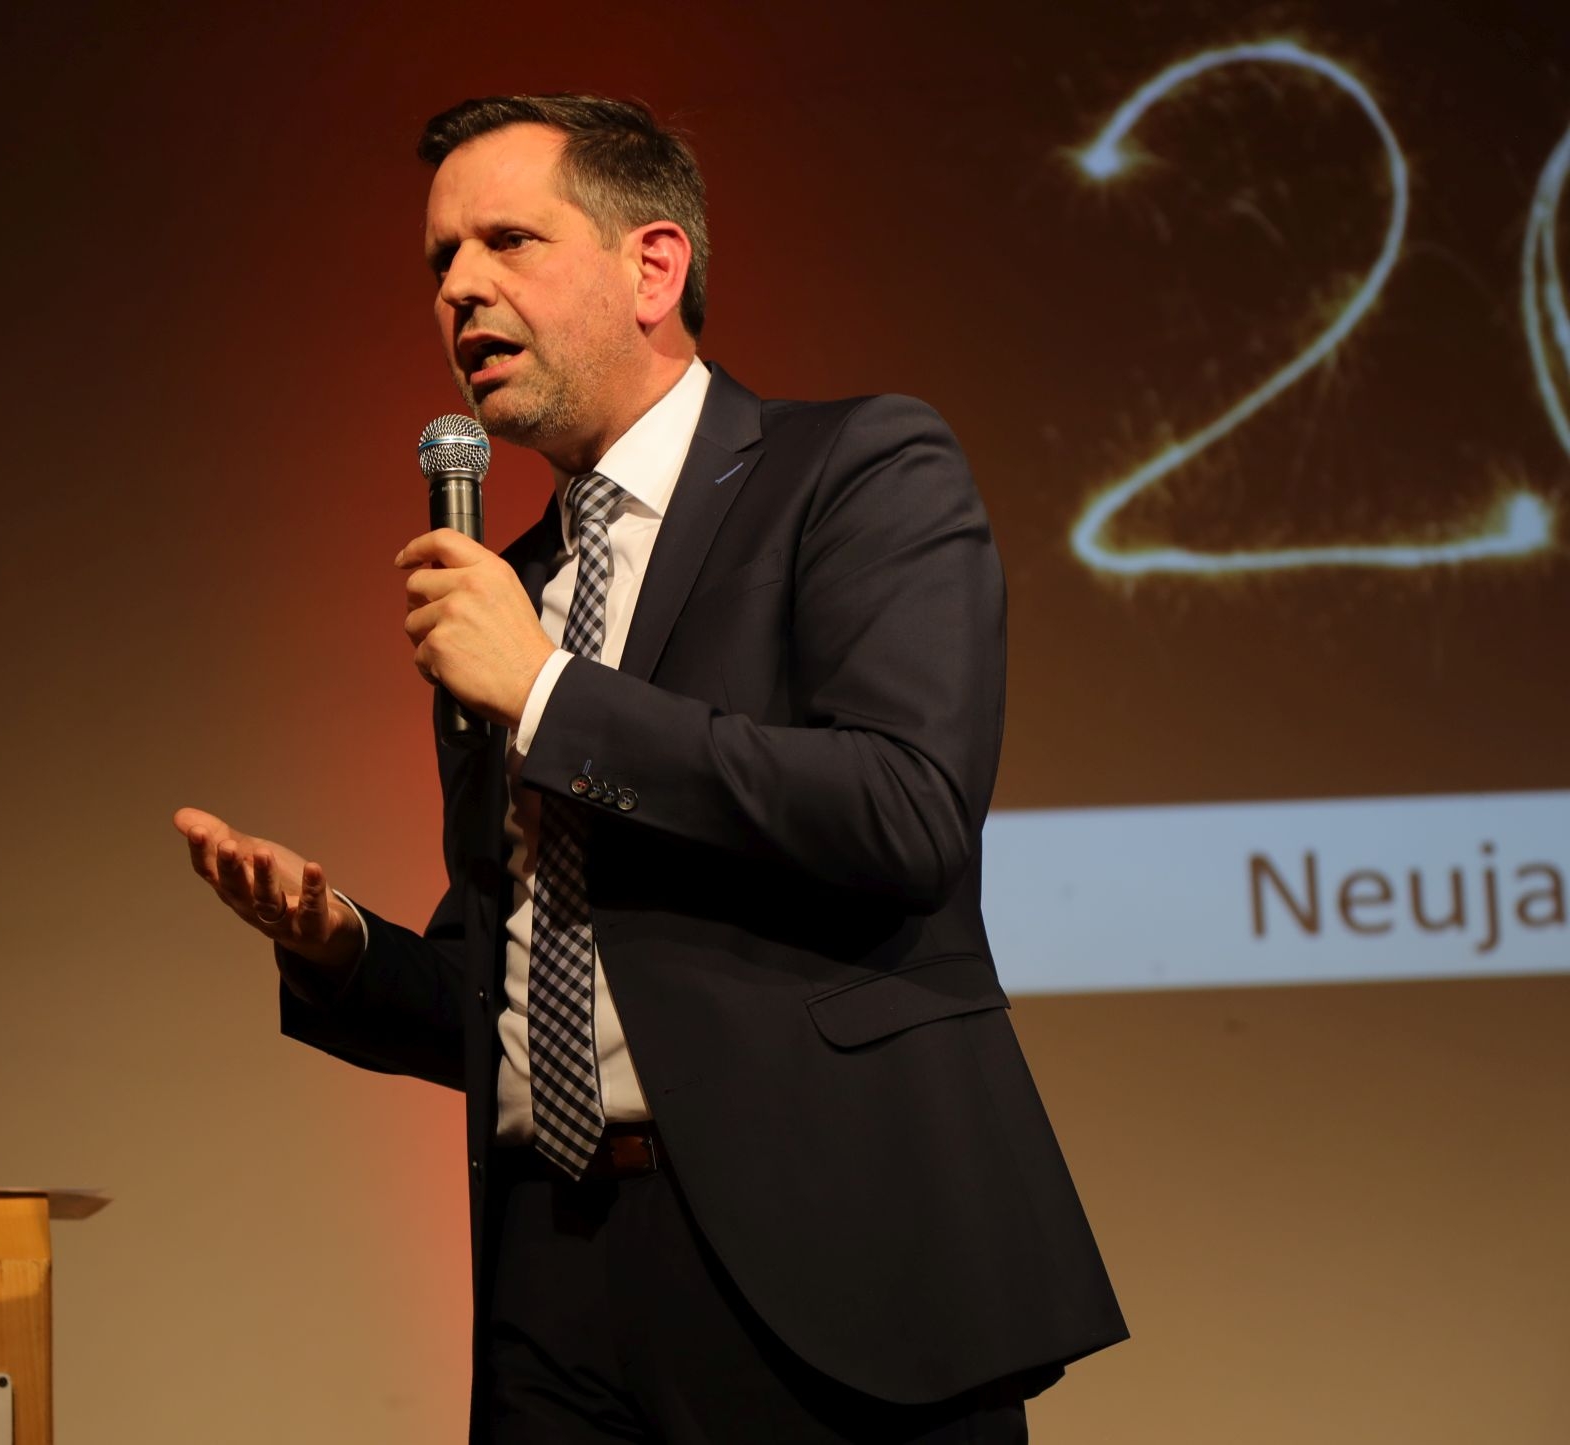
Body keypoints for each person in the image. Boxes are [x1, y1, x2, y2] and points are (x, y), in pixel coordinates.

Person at [175, 94, 1126, 1444]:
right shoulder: (508, 589)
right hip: (548, 1270)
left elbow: (906, 810)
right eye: (439, 259)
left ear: (653, 267)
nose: (457, 289)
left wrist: (548, 693)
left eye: (507, 240)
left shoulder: (853, 470)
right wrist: (339, 948)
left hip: (824, 1259)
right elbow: (515, 977)